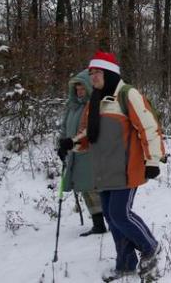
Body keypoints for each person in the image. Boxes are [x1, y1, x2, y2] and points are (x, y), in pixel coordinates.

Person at [60, 52, 165, 282]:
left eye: (95, 72)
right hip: (104, 168)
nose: (92, 77)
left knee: (120, 213)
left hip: (127, 167)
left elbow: (149, 127)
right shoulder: (95, 101)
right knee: (110, 215)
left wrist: (153, 160)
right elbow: (89, 133)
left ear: (107, 73)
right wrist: (71, 143)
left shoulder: (128, 95)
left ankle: (150, 247)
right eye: (90, 73)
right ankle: (126, 263)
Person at [57, 69, 106, 237]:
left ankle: (106, 221)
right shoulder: (72, 107)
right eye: (77, 89)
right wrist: (61, 146)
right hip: (75, 154)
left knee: (94, 188)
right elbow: (64, 128)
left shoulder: (93, 106)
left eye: (82, 88)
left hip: (90, 153)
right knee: (84, 189)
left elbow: (91, 130)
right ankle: (97, 223)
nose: (79, 92)